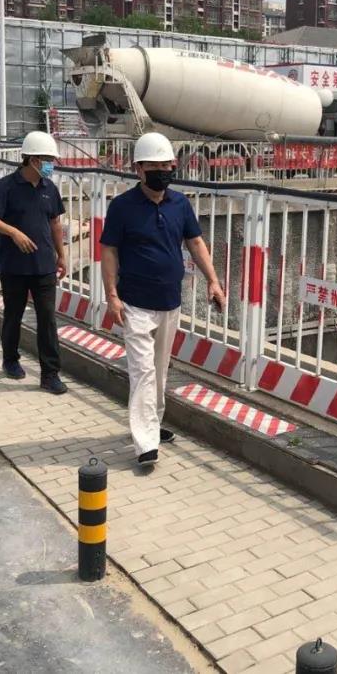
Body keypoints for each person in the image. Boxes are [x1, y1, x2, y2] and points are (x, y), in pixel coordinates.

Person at [100, 132, 225, 466]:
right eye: (153, 167)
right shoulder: (122, 207)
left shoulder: (180, 204)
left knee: (159, 370)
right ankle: (145, 443)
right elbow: (109, 250)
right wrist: (112, 296)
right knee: (142, 371)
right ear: (138, 169)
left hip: (170, 301)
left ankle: (152, 423)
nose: (161, 172)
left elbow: (195, 243)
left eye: (166, 166)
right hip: (135, 303)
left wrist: (213, 281)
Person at [0, 130, 68, 395]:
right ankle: (10, 359)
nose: (51, 165)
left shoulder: (49, 188)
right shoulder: (6, 186)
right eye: (48, 160)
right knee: (13, 315)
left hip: (44, 266)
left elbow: (55, 223)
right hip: (14, 266)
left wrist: (61, 255)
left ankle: (50, 374)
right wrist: (13, 232)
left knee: (47, 320)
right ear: (33, 160)